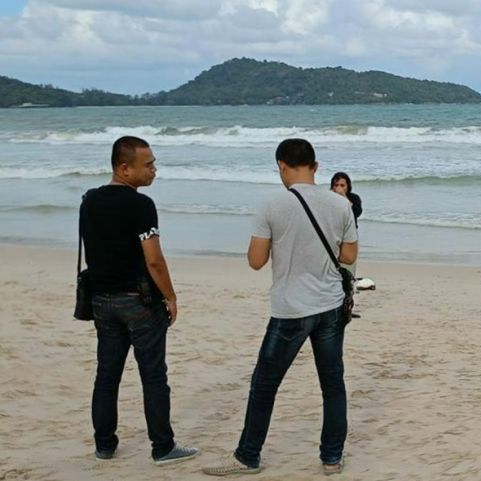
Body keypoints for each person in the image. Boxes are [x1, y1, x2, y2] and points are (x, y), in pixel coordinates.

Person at [203, 139, 358, 477]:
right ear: (316, 167)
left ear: (281, 166)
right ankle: (331, 458)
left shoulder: (271, 204)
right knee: (332, 384)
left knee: (264, 385)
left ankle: (247, 457)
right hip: (330, 306)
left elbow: (256, 261)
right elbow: (348, 257)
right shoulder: (341, 205)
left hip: (290, 309)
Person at [79, 136, 199, 464]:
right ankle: (163, 446)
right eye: (148, 165)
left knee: (107, 374)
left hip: (102, 300)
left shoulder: (89, 200)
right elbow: (154, 260)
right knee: (153, 375)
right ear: (124, 168)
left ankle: (104, 444)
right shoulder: (141, 205)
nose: (154, 171)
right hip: (140, 301)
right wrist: (171, 296)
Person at [330, 172, 363, 318]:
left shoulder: (353, 199)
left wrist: (343, 197)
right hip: (333, 238)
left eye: (342, 185)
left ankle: (348, 308)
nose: (339, 188)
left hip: (349, 240)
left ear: (348, 186)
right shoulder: (328, 199)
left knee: (349, 274)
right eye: (336, 185)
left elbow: (356, 212)